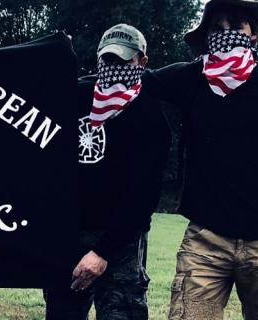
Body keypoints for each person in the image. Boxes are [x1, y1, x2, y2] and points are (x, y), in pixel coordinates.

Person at [152, 0, 258, 318]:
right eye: (217, 27)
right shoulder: (193, 79)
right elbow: (135, 84)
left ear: (253, 34)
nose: (226, 34)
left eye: (236, 25)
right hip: (205, 240)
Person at [43, 24, 171, 320]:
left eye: (123, 61)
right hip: (68, 236)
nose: (113, 68)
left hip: (120, 243)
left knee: (122, 313)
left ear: (142, 62)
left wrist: (103, 252)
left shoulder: (150, 116)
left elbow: (142, 195)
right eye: (107, 60)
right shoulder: (73, 96)